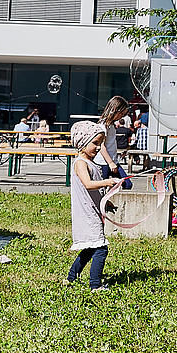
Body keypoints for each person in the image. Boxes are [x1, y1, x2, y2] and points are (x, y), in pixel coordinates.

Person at [66, 120, 122, 290]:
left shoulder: (91, 163)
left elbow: (94, 191)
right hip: (86, 214)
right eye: (95, 143)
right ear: (82, 143)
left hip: (93, 211)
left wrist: (106, 202)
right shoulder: (80, 163)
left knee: (90, 248)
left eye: (101, 143)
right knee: (100, 249)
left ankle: (71, 278)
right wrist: (109, 181)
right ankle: (95, 285)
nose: (98, 148)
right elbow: (88, 184)